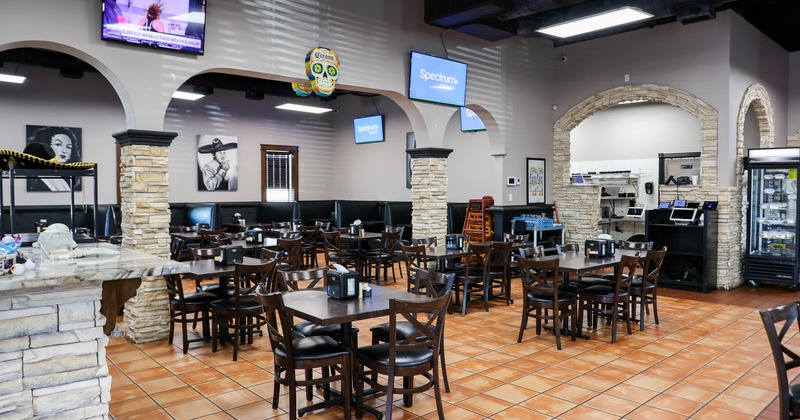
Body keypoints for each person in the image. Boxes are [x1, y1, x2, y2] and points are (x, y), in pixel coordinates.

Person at [26, 126, 81, 192]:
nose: (64, 151)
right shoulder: (37, 175)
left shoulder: (70, 178)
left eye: (69, 147)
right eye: (58, 144)